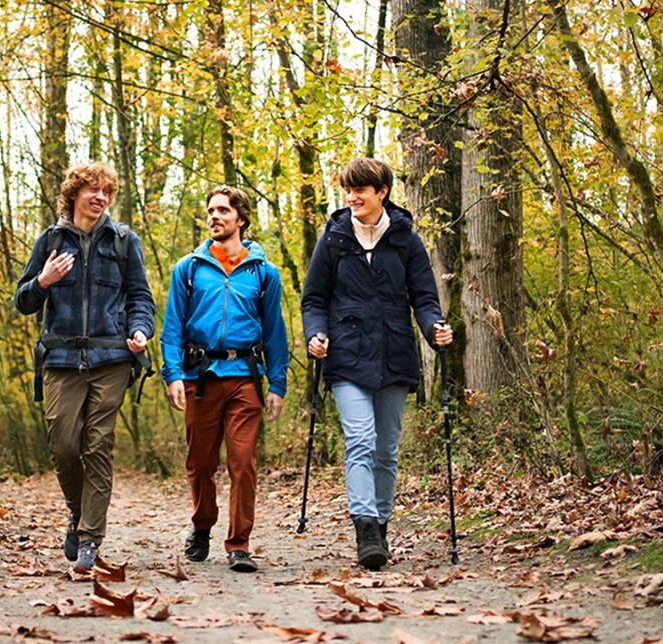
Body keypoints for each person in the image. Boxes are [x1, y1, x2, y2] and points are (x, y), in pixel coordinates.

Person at [299, 158, 454, 571]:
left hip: (395, 353)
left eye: (360, 191)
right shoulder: (332, 239)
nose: (351, 197)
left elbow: (424, 298)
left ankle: (380, 526)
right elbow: (314, 299)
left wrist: (434, 327)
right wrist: (314, 334)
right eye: (348, 190)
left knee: (386, 449)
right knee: (361, 440)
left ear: (381, 191)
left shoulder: (405, 240)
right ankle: (365, 525)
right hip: (346, 356)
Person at [14, 163, 158, 574]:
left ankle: (91, 538)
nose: (99, 197)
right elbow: (23, 302)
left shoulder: (124, 241)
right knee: (63, 445)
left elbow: (141, 299)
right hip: (60, 359)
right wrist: (42, 280)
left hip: (111, 358)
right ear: (74, 194)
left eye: (106, 191)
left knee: (98, 445)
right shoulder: (51, 240)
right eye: (91, 189)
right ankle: (78, 515)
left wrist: (140, 330)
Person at [161, 186, 289, 573]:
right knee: (200, 462)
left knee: (242, 462)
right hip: (200, 376)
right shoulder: (188, 269)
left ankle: (239, 544)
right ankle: (202, 526)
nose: (214, 216)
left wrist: (277, 384)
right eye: (211, 210)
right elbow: (172, 329)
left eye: (222, 210)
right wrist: (173, 375)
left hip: (244, 378)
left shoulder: (264, 274)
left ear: (241, 218)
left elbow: (275, 332)